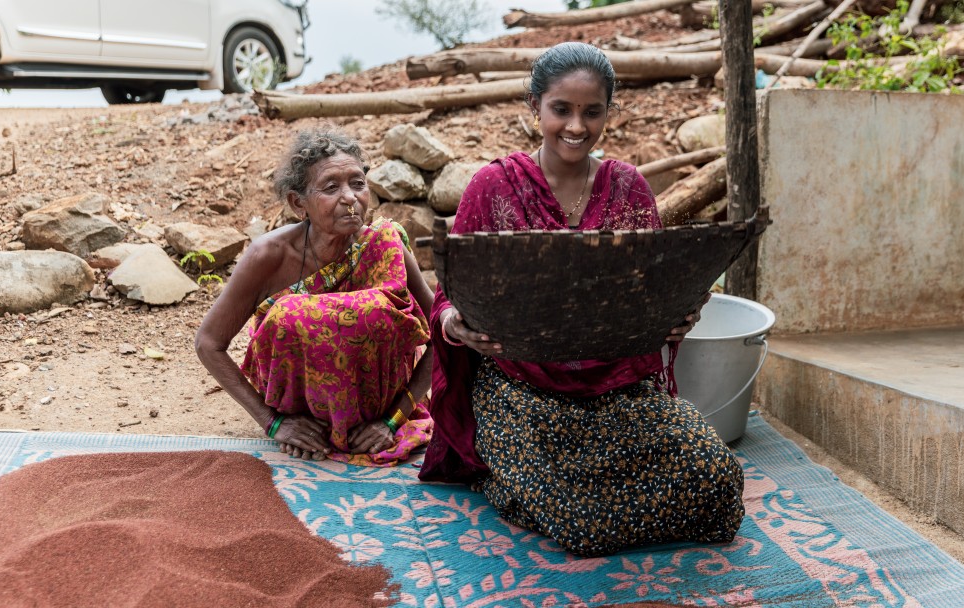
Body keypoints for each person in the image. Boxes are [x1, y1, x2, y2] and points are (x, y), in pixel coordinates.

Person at [419, 42, 745, 557]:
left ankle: (537, 491)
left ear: (609, 113)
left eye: (592, 112)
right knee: (583, 525)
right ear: (534, 105)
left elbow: (650, 289)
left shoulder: (629, 188)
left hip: (616, 388)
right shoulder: (493, 187)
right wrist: (456, 323)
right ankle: (510, 479)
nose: (576, 126)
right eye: (561, 109)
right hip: (521, 391)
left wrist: (676, 315)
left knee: (718, 484)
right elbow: (447, 297)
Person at [196, 129, 434, 466]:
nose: (350, 197)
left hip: (378, 413)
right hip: (298, 413)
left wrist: (393, 419)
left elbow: (443, 330)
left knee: (373, 309)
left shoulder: (385, 245)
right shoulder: (269, 256)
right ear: (298, 203)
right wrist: (272, 422)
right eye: (331, 187)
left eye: (357, 183)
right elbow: (208, 343)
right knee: (292, 314)